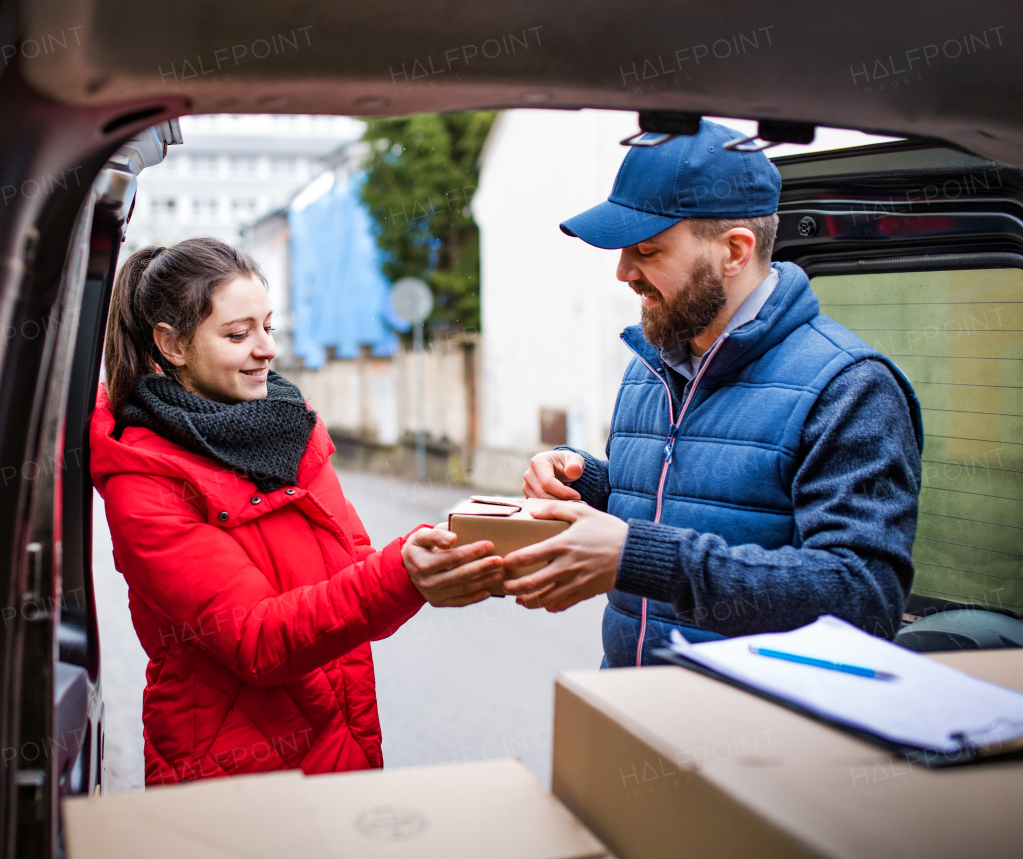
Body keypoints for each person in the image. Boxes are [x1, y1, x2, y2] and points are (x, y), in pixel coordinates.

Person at [502, 120, 923, 668]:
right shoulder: (652, 365)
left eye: (648, 251)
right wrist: (586, 484)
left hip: (761, 736)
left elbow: (862, 596)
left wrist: (639, 557)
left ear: (735, 250)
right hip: (628, 708)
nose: (622, 271)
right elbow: (689, 507)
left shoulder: (848, 387)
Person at [89, 238, 504, 784]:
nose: (266, 349)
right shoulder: (144, 478)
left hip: (341, 744)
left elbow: (356, 574)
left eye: (269, 327)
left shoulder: (288, 428)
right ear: (173, 344)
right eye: (238, 334)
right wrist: (402, 575)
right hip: (232, 777)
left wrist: (435, 558)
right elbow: (256, 641)